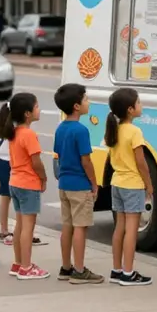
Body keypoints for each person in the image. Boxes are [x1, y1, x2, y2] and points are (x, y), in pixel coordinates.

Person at [53, 83, 103, 284]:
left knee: (67, 226)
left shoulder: (60, 128)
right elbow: (86, 161)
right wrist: (94, 183)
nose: (88, 102)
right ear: (76, 106)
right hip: (80, 184)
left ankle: (66, 267)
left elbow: (59, 154)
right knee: (81, 227)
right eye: (86, 99)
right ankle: (80, 270)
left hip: (64, 183)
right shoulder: (81, 130)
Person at [0, 92, 48, 280]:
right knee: (28, 227)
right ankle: (27, 267)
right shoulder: (29, 134)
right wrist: (43, 178)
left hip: (15, 182)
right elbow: (36, 161)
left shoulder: (14, 133)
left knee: (19, 224)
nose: (39, 110)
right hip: (28, 184)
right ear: (28, 114)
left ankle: (18, 263)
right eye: (36, 107)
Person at [105, 87, 152, 286]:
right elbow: (141, 162)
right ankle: (128, 272)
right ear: (131, 110)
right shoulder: (134, 131)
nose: (141, 106)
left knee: (120, 228)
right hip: (133, 185)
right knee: (132, 230)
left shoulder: (114, 129)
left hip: (117, 182)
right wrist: (149, 185)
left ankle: (116, 269)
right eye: (139, 103)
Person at [0, 110, 13, 244]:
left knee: (5, 199)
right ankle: (6, 231)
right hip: (11, 163)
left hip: (1, 163)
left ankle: (3, 229)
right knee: (13, 198)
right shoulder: (13, 133)